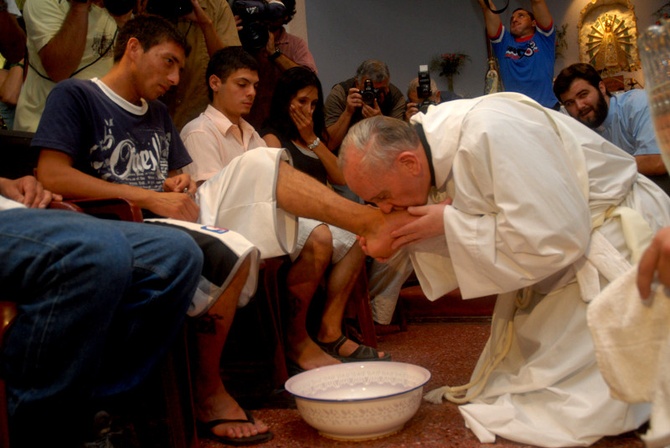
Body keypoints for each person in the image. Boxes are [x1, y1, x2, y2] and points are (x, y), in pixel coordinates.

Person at [33, 14, 409, 445]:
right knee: (236, 231)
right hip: (119, 220)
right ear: (133, 48)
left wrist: (173, 184)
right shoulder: (78, 95)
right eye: (168, 63)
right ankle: (210, 389)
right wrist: (150, 197)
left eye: (179, 68)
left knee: (259, 163)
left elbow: (177, 178)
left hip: (177, 210)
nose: (175, 78)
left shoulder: (156, 112)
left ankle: (365, 224)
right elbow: (53, 176)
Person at [337, 92, 670, 446]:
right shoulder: (429, 148)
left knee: (573, 403)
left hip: (614, 234)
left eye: (382, 197)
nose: (385, 209)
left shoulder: (491, 133)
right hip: (564, 247)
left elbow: (558, 234)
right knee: (521, 381)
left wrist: (447, 225)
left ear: (408, 164)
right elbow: (473, 222)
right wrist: (409, 236)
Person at [0, 175, 204, 447]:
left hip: (14, 211)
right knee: (96, 250)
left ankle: (96, 409)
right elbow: (52, 172)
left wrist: (6, 184)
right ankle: (41, 429)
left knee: (178, 252)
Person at [260, 65, 389, 368]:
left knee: (363, 234)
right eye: (302, 101)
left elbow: (341, 177)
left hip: (323, 217)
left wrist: (312, 138)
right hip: (293, 218)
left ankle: (330, 329)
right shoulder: (272, 137)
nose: (308, 109)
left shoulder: (312, 138)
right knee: (327, 234)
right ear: (286, 100)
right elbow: (279, 186)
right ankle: (297, 337)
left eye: (314, 104)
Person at [13, 0, 134, 132]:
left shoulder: (116, 8)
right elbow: (59, 70)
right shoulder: (43, 2)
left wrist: (125, 20)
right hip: (48, 128)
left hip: (103, 129)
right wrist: (79, 7)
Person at [553, 62, 669, 192]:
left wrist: (602, 170)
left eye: (583, 94)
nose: (579, 106)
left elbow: (657, 160)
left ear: (601, 88)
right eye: (570, 103)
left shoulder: (638, 104)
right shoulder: (574, 127)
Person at [153, 0, 242, 131]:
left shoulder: (217, 6)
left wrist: (206, 24)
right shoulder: (150, 5)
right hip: (155, 112)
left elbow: (230, 67)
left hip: (197, 116)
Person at [242, 0, 318, 128]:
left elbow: (309, 80)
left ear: (285, 16)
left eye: (275, 8)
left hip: (285, 126)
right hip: (248, 123)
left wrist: (275, 54)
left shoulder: (295, 44)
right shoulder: (243, 39)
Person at [474, 0, 559, 109]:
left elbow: (537, 2)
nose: (514, 20)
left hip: (547, 109)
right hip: (517, 113)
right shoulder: (503, 43)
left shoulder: (544, 38)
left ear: (534, 22)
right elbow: (487, 7)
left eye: (521, 16)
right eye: (512, 19)